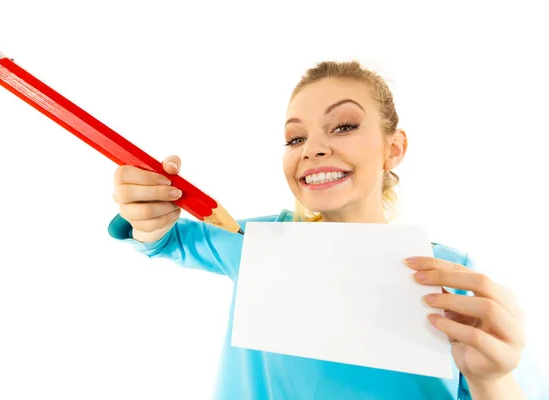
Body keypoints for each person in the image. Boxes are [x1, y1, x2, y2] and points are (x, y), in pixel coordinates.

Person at [107, 61, 548, 399]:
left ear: (394, 149)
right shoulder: (254, 243)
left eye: (344, 126)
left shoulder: (450, 276)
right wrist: (146, 212)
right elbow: (163, 240)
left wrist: (492, 379)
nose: (314, 148)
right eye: (295, 138)